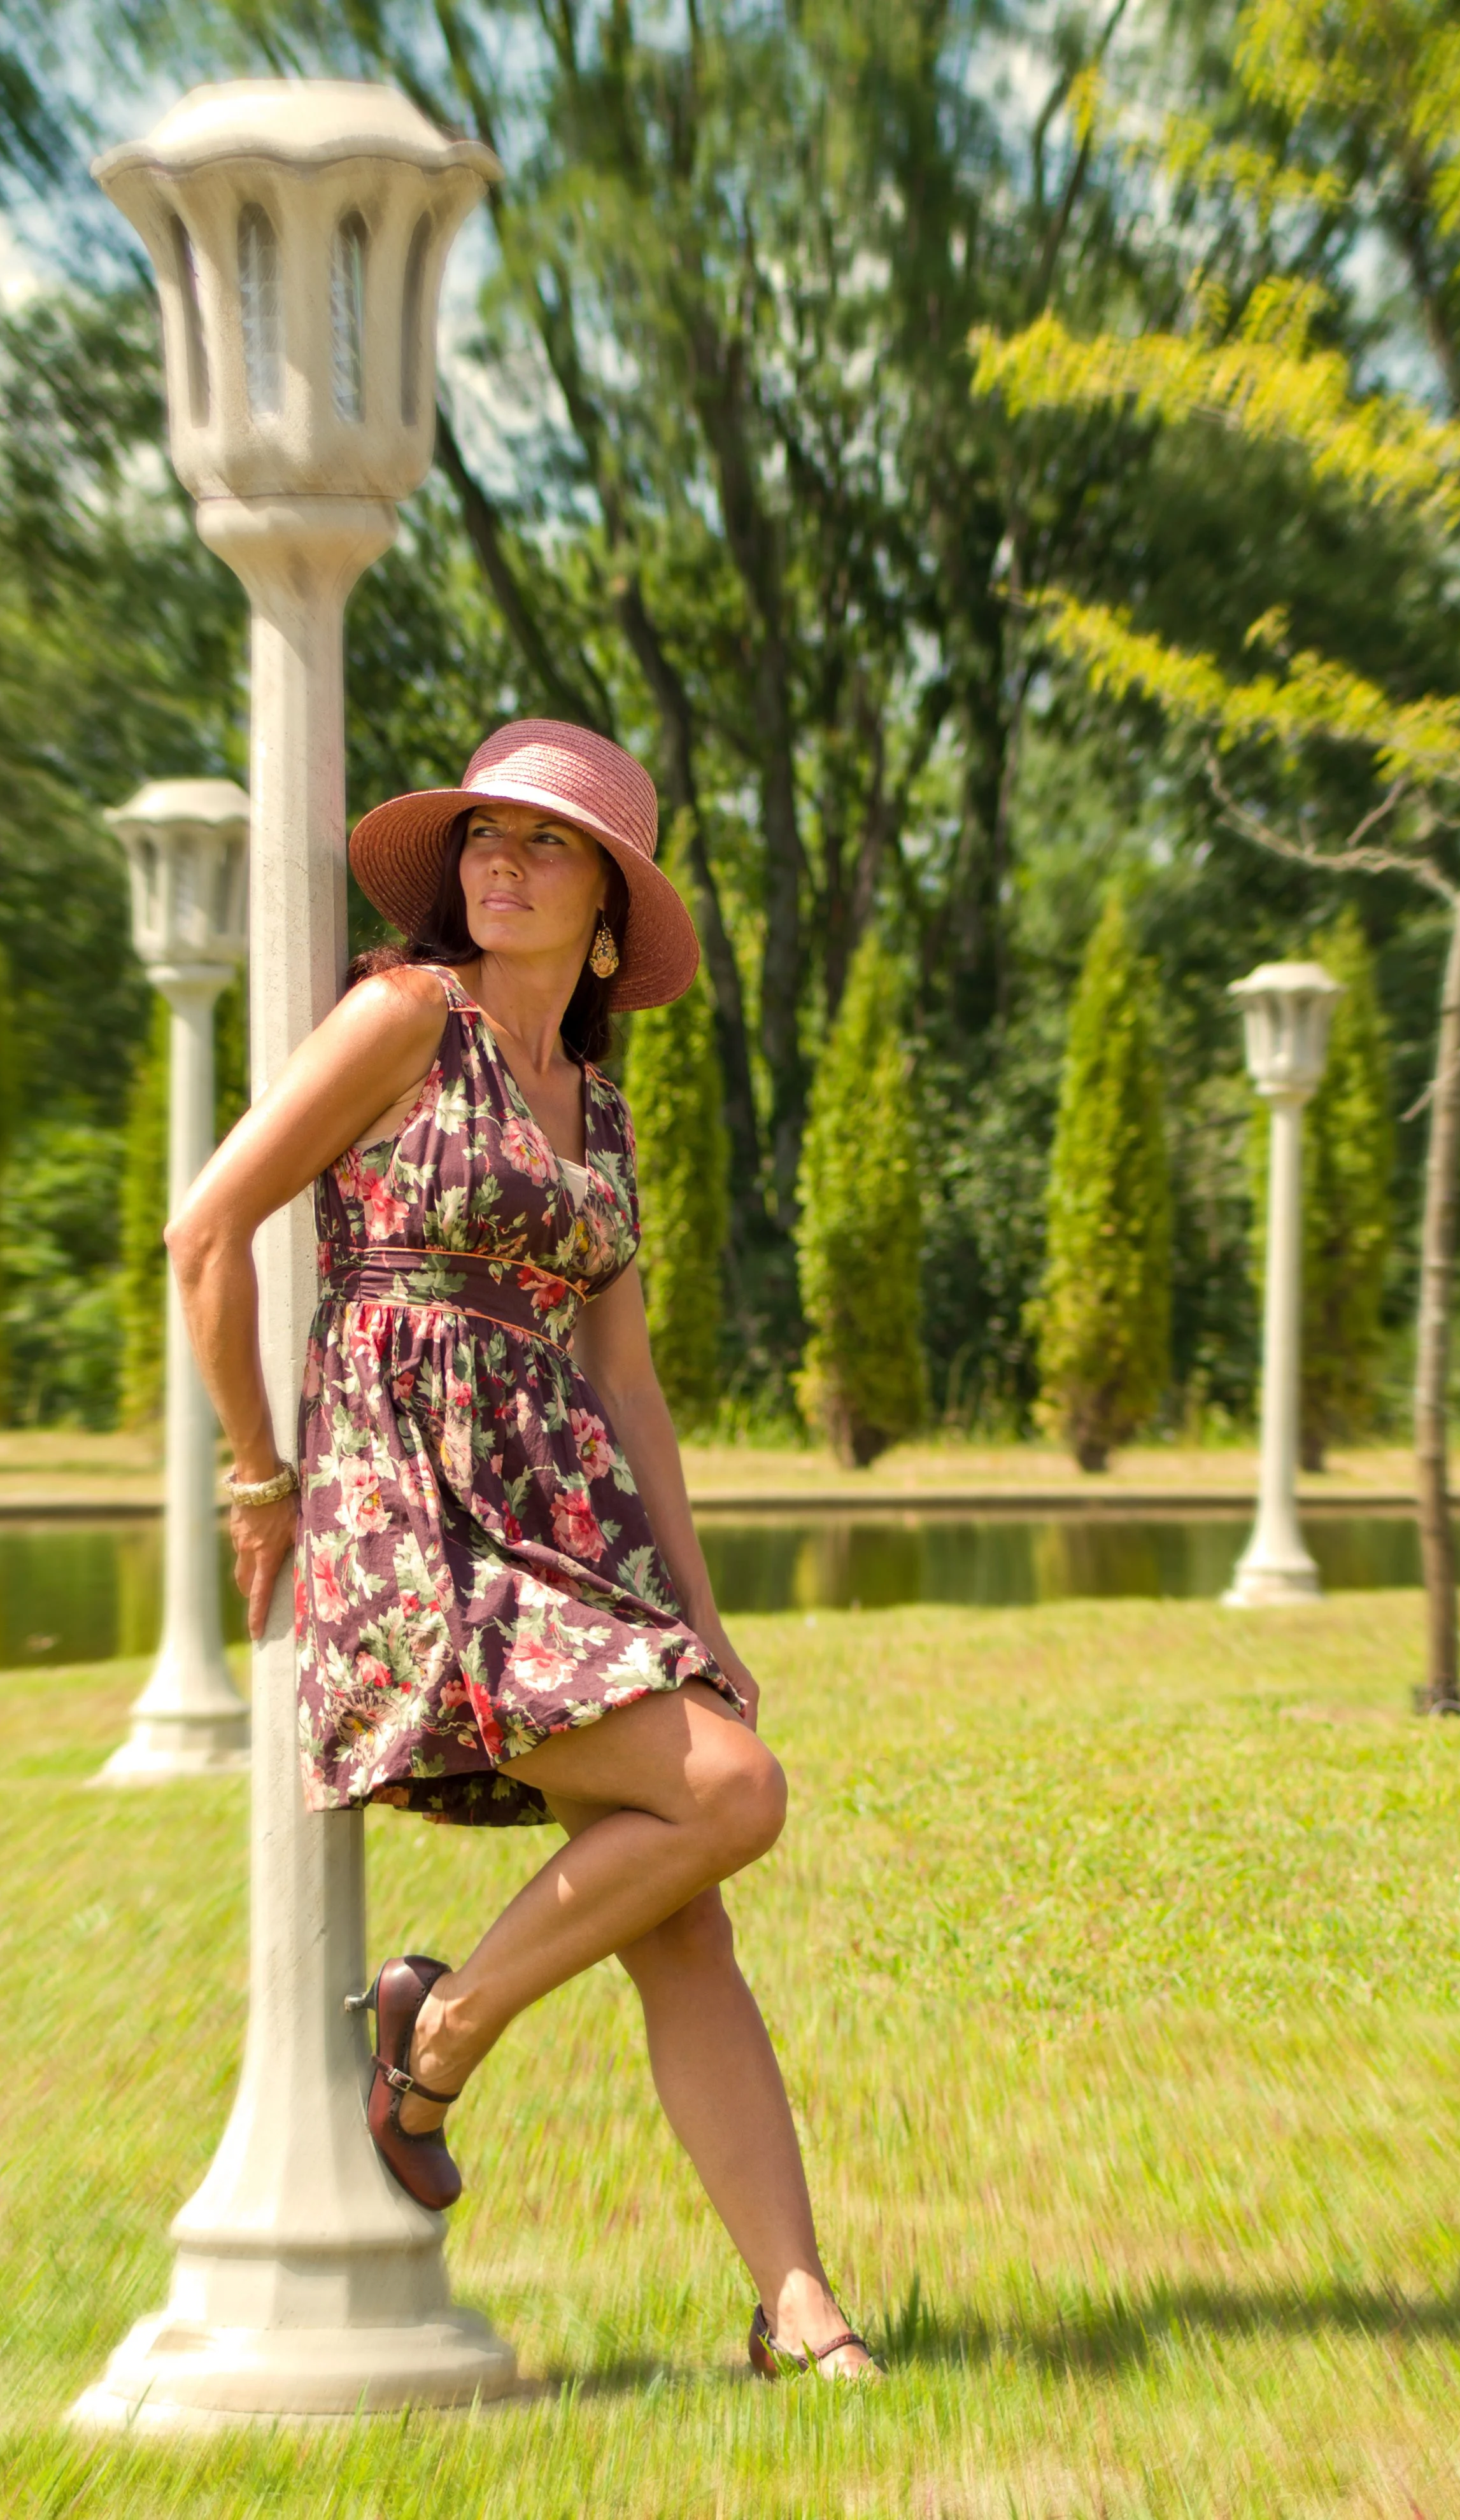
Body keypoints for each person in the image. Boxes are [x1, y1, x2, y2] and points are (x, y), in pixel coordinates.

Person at [166, 719, 877, 2383]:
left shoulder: (600, 1110)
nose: (498, 862)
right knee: (728, 1795)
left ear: (611, 907)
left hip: (567, 1516)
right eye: (484, 835)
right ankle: (439, 2036)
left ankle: (798, 2311)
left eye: (544, 844)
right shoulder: (408, 1017)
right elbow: (207, 1227)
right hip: (421, 1505)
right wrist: (259, 1479)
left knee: (686, 1900)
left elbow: (624, 1380)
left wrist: (696, 1612)